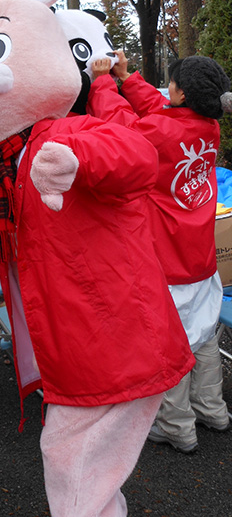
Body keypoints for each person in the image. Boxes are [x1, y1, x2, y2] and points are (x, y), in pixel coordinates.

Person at [89, 51, 232, 453]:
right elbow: (163, 112)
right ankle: (213, 409)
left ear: (182, 92)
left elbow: (123, 127)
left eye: (171, 83)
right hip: (200, 259)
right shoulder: (208, 127)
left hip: (166, 262)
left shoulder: (159, 132)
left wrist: (103, 83)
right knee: (204, 334)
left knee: (172, 343)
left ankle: (176, 425)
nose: (165, 89)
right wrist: (128, 77)